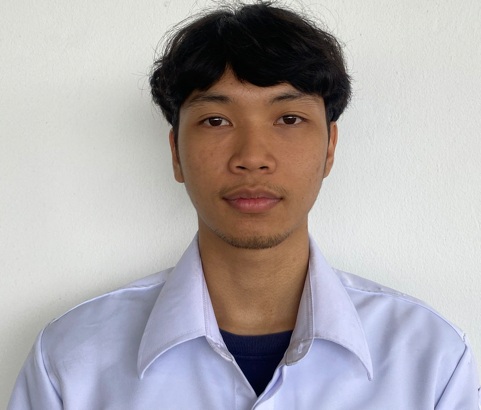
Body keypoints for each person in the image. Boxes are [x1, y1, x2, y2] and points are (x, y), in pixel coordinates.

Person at [8, 2, 480, 409]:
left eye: (288, 118)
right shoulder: (72, 358)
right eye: (216, 120)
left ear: (330, 148)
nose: (252, 157)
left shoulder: (431, 359)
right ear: (175, 153)